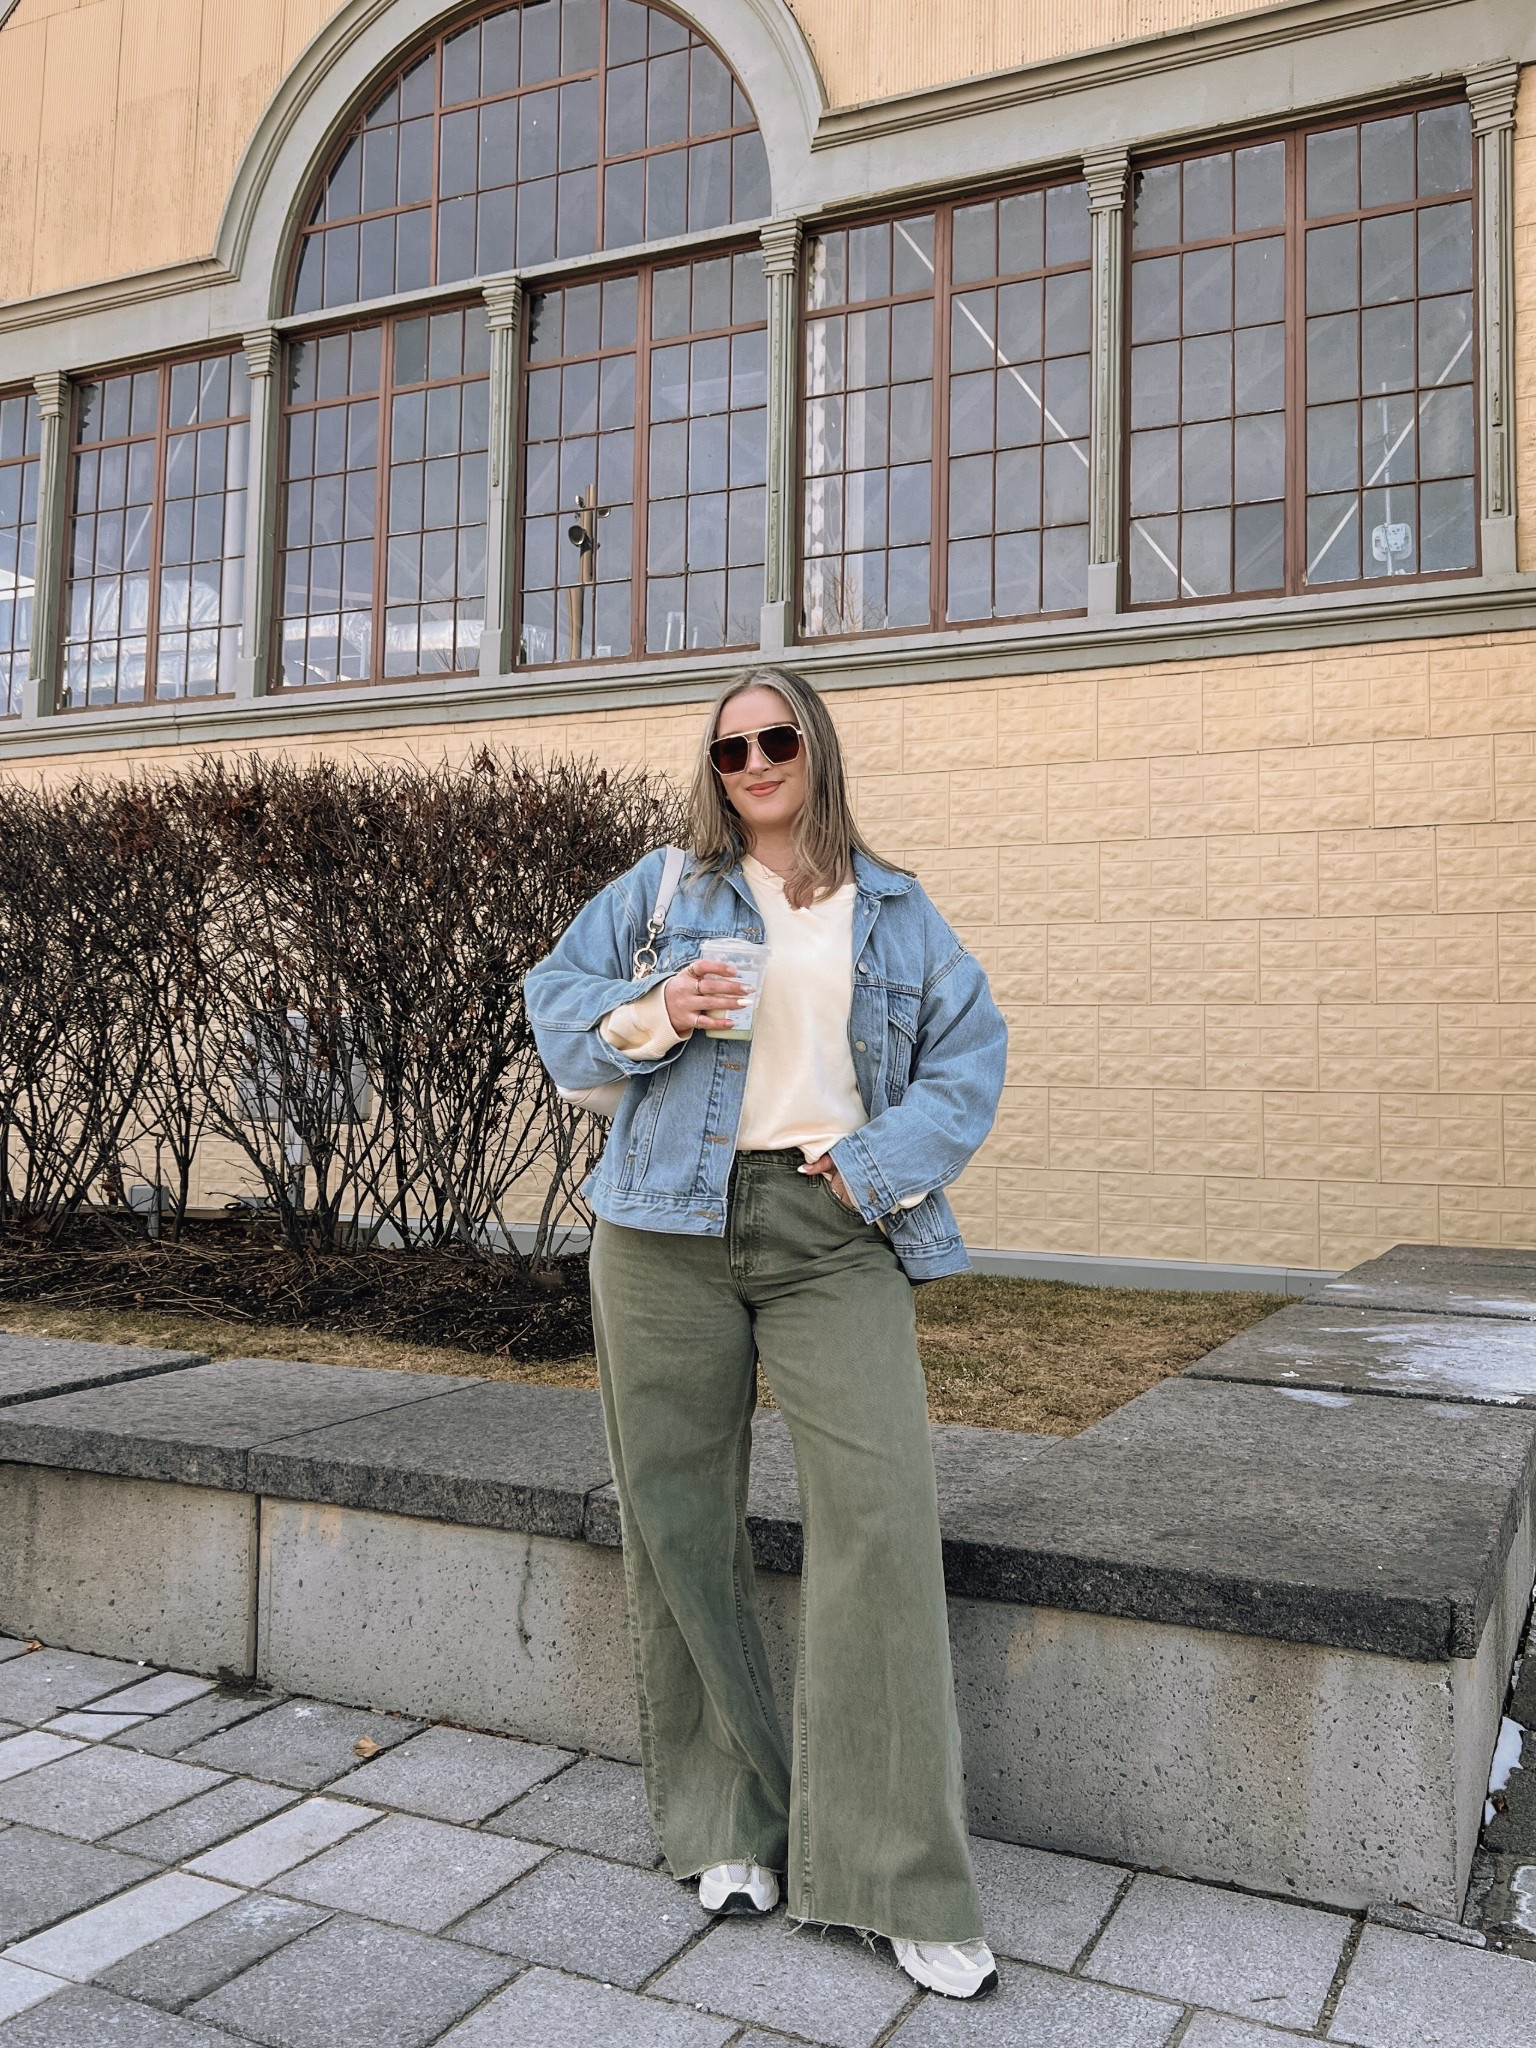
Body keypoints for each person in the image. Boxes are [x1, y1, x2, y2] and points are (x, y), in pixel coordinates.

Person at [524, 665, 1008, 1999]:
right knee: (677, 1518)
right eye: (731, 746)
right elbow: (554, 1006)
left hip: (826, 1229)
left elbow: (974, 1060)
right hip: (658, 1233)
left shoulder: (897, 911)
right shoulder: (667, 891)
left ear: (816, 747)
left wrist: (876, 1163)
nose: (754, 761)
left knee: (884, 1521)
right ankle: (728, 1821)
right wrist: (652, 1012)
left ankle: (896, 1872)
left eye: (777, 736)